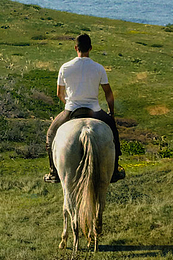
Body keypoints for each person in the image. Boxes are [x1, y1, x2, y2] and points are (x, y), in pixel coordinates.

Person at [43, 33, 123, 183]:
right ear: (90, 48)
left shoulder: (65, 67)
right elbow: (108, 94)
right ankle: (115, 170)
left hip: (71, 109)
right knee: (113, 134)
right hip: (95, 110)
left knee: (51, 134)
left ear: (75, 48)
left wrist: (68, 102)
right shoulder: (98, 68)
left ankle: (53, 172)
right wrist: (111, 114)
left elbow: (59, 94)